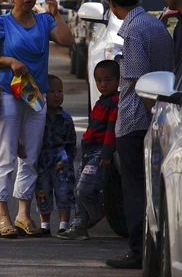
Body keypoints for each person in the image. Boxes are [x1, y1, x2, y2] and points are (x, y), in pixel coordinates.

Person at [0, 0, 74, 238]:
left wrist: (56, 13)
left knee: (30, 158)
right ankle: (2, 215)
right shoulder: (1, 24)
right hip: (10, 96)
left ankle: (23, 214)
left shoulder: (44, 21)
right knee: (6, 155)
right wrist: (9, 61)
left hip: (37, 99)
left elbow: (67, 40)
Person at [104, 0, 174, 270]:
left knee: (134, 187)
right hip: (157, 115)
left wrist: (152, 119)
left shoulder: (133, 31)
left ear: (112, 4)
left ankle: (137, 250)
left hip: (137, 119)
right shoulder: (155, 24)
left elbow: (138, 80)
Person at [58, 60, 120, 241]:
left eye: (107, 80)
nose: (102, 84)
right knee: (78, 190)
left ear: (118, 81)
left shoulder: (115, 103)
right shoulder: (101, 102)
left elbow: (111, 130)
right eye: (98, 80)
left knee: (83, 190)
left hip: (99, 154)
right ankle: (79, 226)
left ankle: (97, 213)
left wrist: (107, 152)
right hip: (88, 154)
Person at [34, 74, 76, 236]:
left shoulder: (65, 118)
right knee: (42, 190)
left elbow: (72, 140)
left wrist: (68, 158)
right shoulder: (38, 117)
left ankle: (63, 224)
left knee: (64, 190)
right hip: (42, 158)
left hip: (61, 158)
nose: (57, 95)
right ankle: (44, 224)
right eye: (51, 91)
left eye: (60, 91)